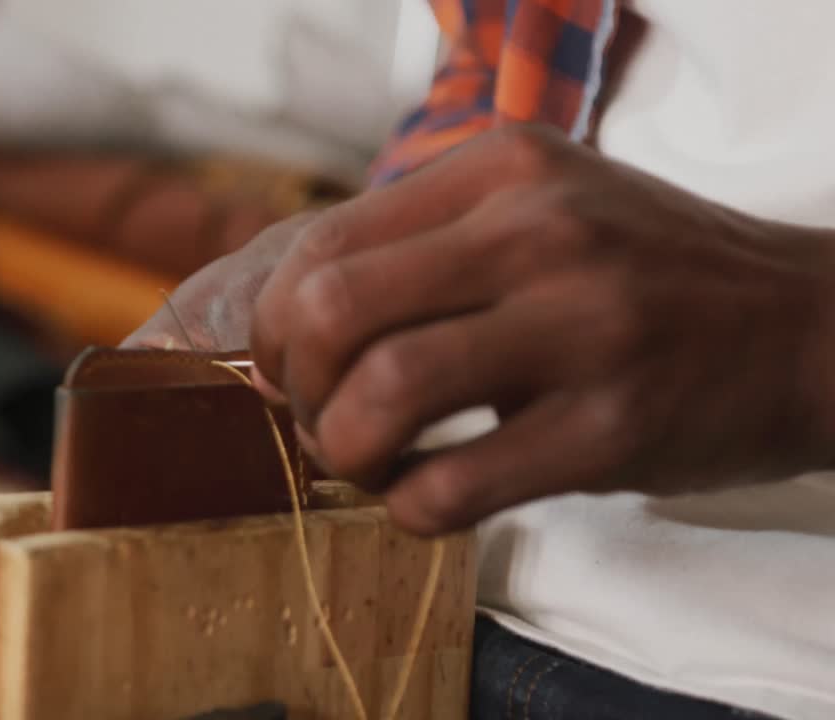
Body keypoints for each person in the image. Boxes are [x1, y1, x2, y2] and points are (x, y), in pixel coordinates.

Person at [124, 1, 835, 719]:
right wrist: (401, 231)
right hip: (428, 594)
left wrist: (810, 344)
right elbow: (511, 44)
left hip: (770, 668)